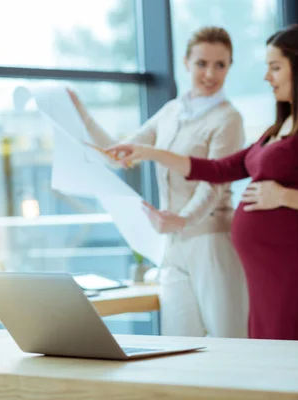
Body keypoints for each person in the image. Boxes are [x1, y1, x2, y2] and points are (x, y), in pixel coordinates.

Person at [106, 24, 298, 341]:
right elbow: (218, 169)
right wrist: (149, 152)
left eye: (275, 67)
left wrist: (284, 195)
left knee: (289, 373)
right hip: (262, 273)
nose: (266, 77)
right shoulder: (279, 127)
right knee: (263, 369)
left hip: (296, 271)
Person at [68, 26, 248, 338]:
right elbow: (119, 155)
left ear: (230, 66)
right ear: (186, 63)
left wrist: (183, 219)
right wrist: (81, 115)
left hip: (211, 242)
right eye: (202, 63)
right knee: (179, 342)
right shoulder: (171, 111)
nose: (210, 73)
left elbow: (214, 183)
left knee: (228, 341)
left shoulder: (228, 119)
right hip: (173, 245)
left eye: (220, 65)